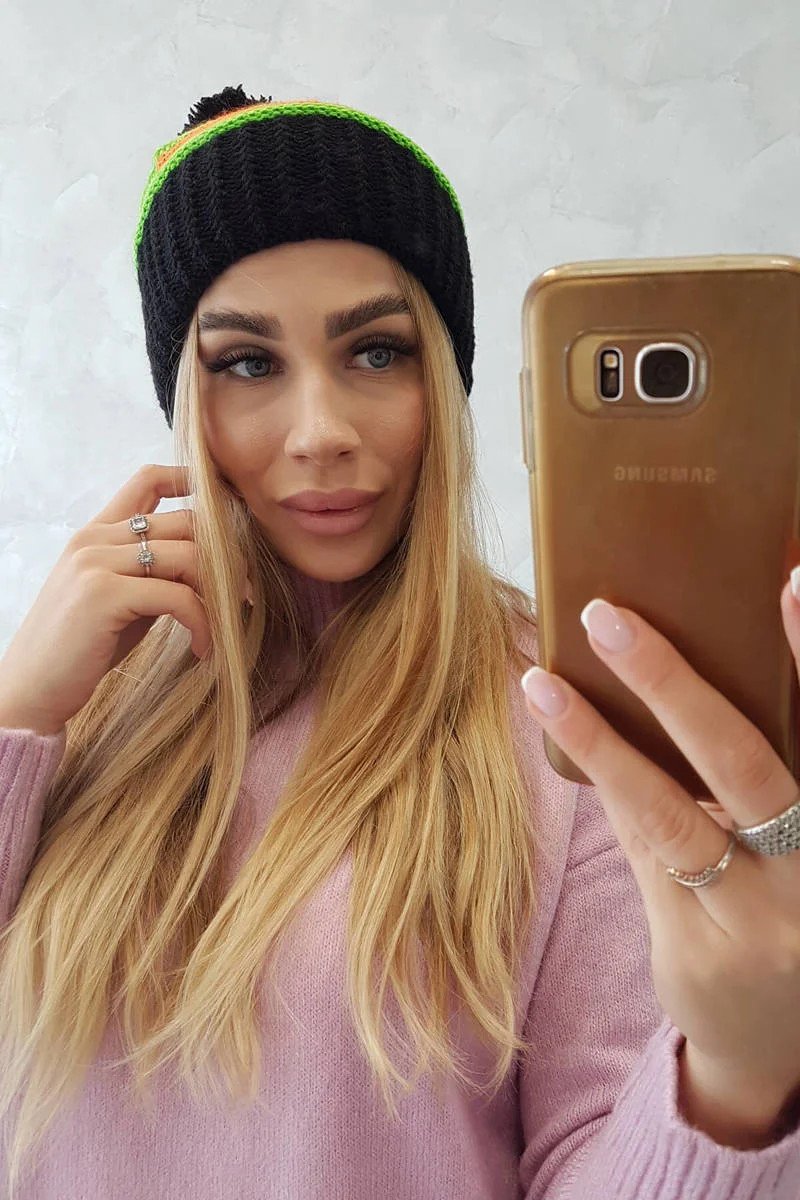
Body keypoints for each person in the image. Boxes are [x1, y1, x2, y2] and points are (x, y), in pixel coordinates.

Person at [0, 85, 797, 1199]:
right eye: (248, 363)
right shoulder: (75, 693)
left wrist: (736, 1077)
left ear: (446, 379)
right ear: (185, 397)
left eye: (376, 353)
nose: (320, 433)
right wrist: (16, 717)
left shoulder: (563, 727)